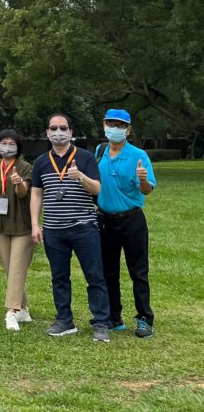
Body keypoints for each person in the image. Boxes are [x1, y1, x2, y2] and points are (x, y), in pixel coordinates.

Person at [30, 113, 111, 342]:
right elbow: (36, 194)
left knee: (95, 275)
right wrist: (36, 224)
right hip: (54, 229)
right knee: (59, 277)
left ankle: (101, 322)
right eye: (53, 128)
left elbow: (97, 189)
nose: (58, 132)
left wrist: (81, 177)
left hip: (83, 227)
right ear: (47, 132)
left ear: (71, 132)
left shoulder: (85, 158)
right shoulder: (41, 162)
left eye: (62, 128)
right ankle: (64, 320)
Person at [95, 108, 156, 338]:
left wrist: (142, 180)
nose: (115, 129)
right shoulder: (100, 152)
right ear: (103, 125)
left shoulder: (138, 155)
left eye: (120, 126)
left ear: (128, 130)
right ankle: (114, 316)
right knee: (108, 270)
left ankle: (144, 319)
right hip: (106, 221)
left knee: (138, 271)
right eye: (111, 124)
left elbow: (147, 190)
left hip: (132, 220)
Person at [0, 129, 34, 332]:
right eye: (3, 143)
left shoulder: (26, 167)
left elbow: (23, 193)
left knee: (17, 267)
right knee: (10, 268)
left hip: (22, 224)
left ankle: (11, 312)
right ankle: (24, 309)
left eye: (12, 143)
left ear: (18, 147)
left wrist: (19, 183)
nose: (7, 147)